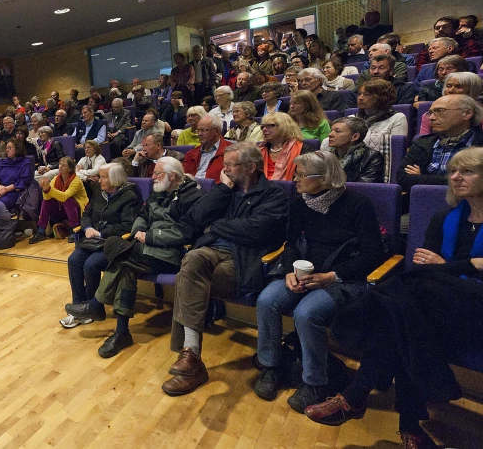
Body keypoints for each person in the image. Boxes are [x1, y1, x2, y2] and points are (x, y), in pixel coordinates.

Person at [304, 148, 483, 448]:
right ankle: (409, 426)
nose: (454, 177)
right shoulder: (445, 217)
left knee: (404, 306)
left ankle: (356, 394)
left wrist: (450, 267)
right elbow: (425, 267)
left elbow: (432, 273)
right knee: (408, 318)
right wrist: (472, 265)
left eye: (467, 171)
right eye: (452, 171)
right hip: (436, 306)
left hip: (474, 310)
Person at [252, 151, 385, 410]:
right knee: (267, 299)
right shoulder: (301, 203)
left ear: (325, 179)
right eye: (295, 174)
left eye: (301, 175)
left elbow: (373, 253)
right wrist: (289, 270)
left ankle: (315, 382)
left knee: (306, 312)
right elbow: (291, 243)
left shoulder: (357, 204)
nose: (295, 180)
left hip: (343, 278)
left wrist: (332, 276)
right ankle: (271, 366)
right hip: (306, 274)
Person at [162, 142, 289, 396]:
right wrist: (222, 189)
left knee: (187, 276)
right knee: (193, 259)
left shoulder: (274, 194)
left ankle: (190, 360)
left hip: (243, 260)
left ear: (251, 167)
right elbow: (195, 218)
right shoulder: (226, 190)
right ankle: (191, 356)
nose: (226, 169)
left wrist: (217, 226)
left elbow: (256, 231)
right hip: (212, 251)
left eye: (231, 165)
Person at [65, 158, 204, 358]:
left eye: (157, 173)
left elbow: (187, 233)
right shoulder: (159, 192)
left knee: (118, 252)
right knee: (124, 266)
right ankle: (121, 333)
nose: (152, 177)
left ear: (172, 176)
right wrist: (139, 229)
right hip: (145, 249)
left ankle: (96, 305)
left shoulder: (191, 196)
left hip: (171, 253)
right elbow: (142, 215)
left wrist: (150, 236)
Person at [61, 164, 140, 328]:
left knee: (91, 264)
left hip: (114, 243)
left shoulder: (130, 196)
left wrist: (101, 233)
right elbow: (86, 214)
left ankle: (92, 307)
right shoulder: (99, 192)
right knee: (74, 260)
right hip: (93, 240)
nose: (99, 180)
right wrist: (88, 227)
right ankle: (78, 306)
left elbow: (127, 225)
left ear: (114, 179)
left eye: (103, 177)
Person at [398, 95, 483, 191]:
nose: (431, 117)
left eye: (440, 111)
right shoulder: (422, 142)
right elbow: (403, 178)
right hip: (424, 201)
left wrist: (422, 177)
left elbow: (478, 181)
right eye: (430, 113)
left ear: (467, 113)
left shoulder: (480, 142)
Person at [354, 79, 409, 182]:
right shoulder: (352, 119)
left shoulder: (397, 118)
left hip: (380, 168)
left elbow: (396, 152)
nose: (360, 98)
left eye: (367, 94)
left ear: (381, 98)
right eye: (359, 94)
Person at [30, 157, 89, 243]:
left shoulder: (76, 181)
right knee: (47, 202)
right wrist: (46, 190)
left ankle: (75, 230)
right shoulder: (56, 179)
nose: (60, 167)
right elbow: (47, 198)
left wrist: (49, 189)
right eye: (60, 164)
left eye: (63, 165)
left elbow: (65, 196)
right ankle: (41, 231)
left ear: (70, 169)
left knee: (68, 200)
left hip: (79, 210)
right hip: (63, 208)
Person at [419, 72, 483, 136]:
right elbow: (423, 140)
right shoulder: (429, 115)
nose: (451, 90)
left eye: (458, 86)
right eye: (448, 86)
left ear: (473, 89)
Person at [0, 140, 33, 221]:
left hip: (14, 192)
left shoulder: (25, 163)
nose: (7, 150)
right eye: (6, 148)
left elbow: (24, 180)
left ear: (17, 149)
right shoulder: (4, 162)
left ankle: (9, 228)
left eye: (10, 148)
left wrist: (6, 189)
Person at [325, 117, 385, 183]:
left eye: (337, 131)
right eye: (331, 131)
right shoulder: (325, 157)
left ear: (355, 137)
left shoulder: (372, 157)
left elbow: (365, 188)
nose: (330, 135)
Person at [415, 16, 482, 72]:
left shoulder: (468, 44)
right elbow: (422, 70)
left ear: (455, 29)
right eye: (437, 28)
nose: (440, 30)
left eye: (445, 27)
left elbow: (467, 65)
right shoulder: (426, 51)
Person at [260, 111, 312, 180]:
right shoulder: (259, 150)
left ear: (284, 127)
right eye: (263, 126)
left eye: (269, 125)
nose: (264, 129)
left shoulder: (302, 149)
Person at [183, 115, 232, 180]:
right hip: (192, 188)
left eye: (204, 130)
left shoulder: (230, 151)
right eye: (198, 130)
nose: (200, 134)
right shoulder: (191, 153)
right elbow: (184, 177)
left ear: (217, 131)